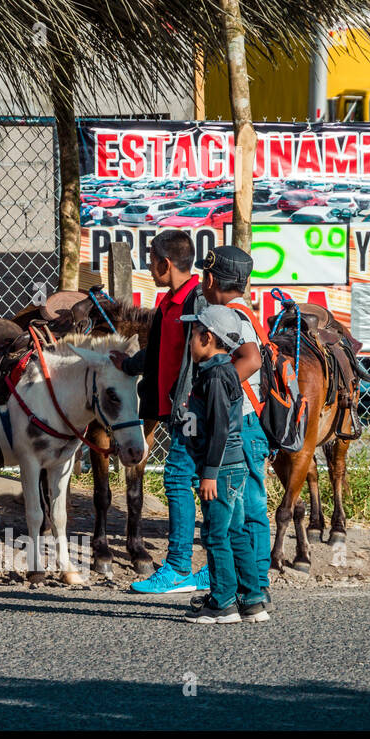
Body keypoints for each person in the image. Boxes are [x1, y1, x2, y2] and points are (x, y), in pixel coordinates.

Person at [117, 229, 210, 595]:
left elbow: (212, 356)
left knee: (183, 480)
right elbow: (158, 352)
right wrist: (128, 364)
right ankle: (209, 568)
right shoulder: (169, 303)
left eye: (151, 258)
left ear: (164, 263)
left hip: (197, 410)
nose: (149, 266)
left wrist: (200, 405)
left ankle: (179, 568)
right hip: (177, 410)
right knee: (190, 483)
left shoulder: (197, 301)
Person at [179, 306, 268, 624]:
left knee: (216, 536)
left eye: (193, 334)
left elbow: (219, 428)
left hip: (221, 470)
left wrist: (209, 473)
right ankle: (252, 598)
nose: (188, 340)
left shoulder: (215, 375)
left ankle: (223, 602)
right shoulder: (221, 370)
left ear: (207, 337)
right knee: (236, 532)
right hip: (232, 467)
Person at [197, 246, 272, 608]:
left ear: (210, 279)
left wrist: (220, 389)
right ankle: (252, 589)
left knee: (248, 507)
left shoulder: (228, 316)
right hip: (246, 420)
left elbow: (252, 358)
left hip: (239, 421)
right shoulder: (245, 312)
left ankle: (254, 586)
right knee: (245, 508)